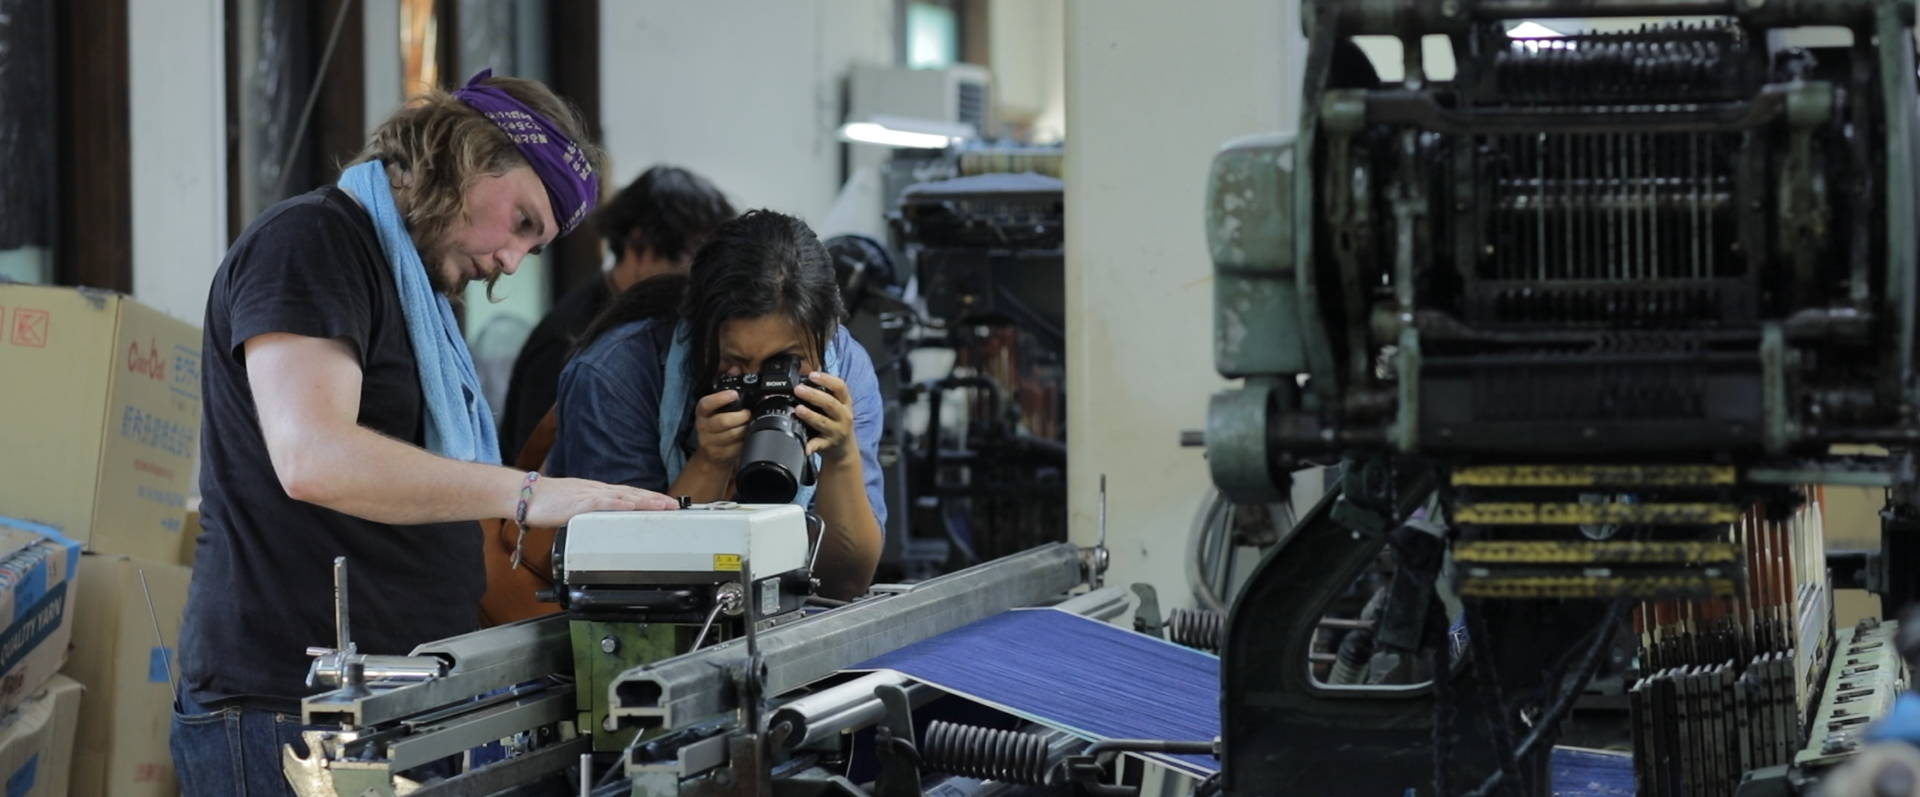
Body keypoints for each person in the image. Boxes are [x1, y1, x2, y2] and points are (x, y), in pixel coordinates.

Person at [172, 70, 677, 797]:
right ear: (473, 155)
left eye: (532, 248)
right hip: (292, 708)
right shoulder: (313, 242)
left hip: (396, 700)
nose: (510, 259)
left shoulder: (413, 289)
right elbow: (313, 456)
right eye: (524, 221)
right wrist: (531, 492)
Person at [546, 210, 885, 599]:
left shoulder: (844, 369)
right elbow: (628, 583)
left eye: (786, 363)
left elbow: (845, 585)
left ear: (827, 334)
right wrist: (709, 464)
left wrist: (841, 458)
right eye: (734, 363)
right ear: (697, 332)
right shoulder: (614, 376)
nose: (761, 384)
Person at [497, 166, 735, 458]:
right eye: (687, 261)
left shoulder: (659, 324)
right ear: (639, 245)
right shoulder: (568, 336)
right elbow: (533, 460)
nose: (696, 280)